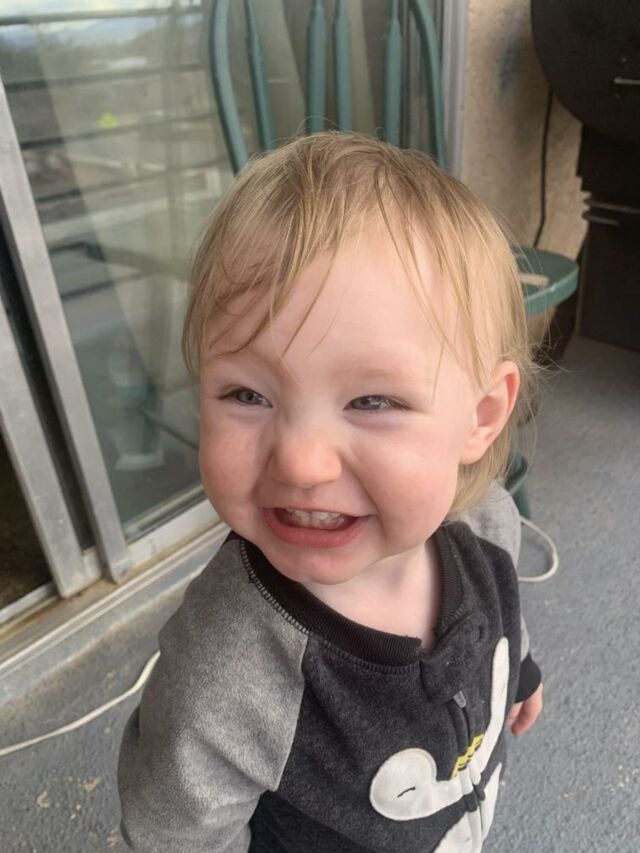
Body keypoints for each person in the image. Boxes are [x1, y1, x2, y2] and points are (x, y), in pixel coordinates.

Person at [118, 132, 544, 852]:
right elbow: (173, 835)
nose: (301, 461)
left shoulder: (487, 523)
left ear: (479, 417)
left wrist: (522, 671)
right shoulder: (225, 675)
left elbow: (505, 617)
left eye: (372, 401)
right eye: (247, 393)